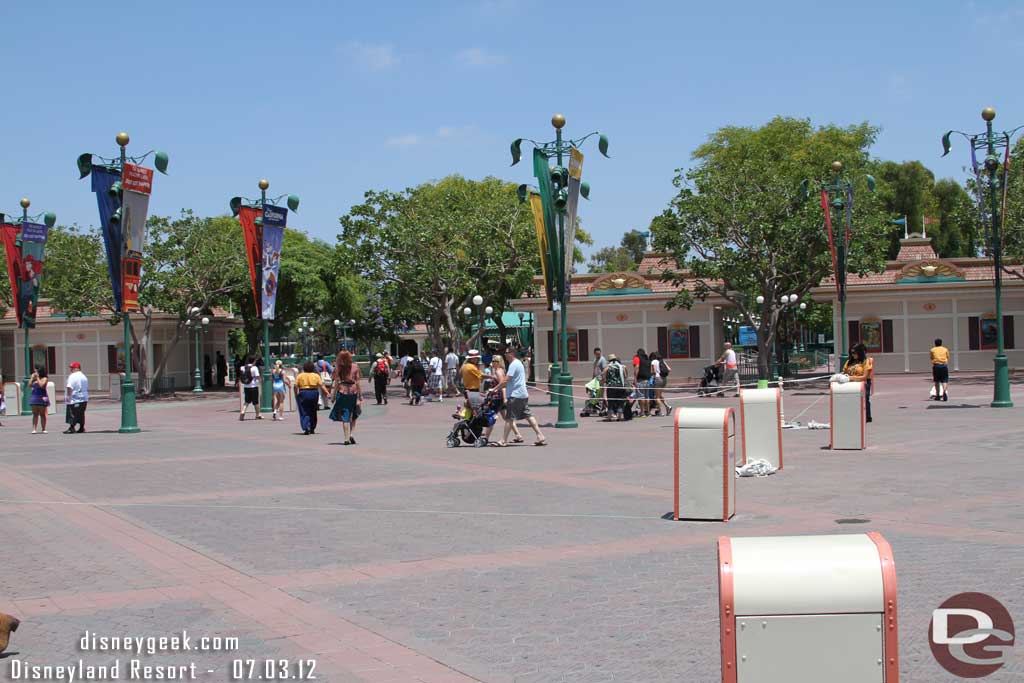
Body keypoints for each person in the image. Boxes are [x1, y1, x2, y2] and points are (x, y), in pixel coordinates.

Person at [493, 346, 546, 447]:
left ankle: (503, 440)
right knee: (528, 415)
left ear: (512, 353)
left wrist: (495, 389)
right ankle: (540, 436)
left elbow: (505, 380)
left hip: (515, 395)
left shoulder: (514, 364)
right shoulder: (518, 363)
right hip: (522, 394)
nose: (505, 355)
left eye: (506, 352)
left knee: (509, 418)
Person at [483, 355, 523, 443]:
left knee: (491, 416)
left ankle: (486, 437)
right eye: (492, 361)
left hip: (497, 398)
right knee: (507, 418)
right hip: (499, 397)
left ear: (498, 362)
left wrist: (504, 397)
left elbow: (503, 385)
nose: (492, 363)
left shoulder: (498, 371)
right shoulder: (500, 370)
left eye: (494, 361)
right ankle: (518, 435)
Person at [329, 350, 363, 445]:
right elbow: (358, 382)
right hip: (353, 392)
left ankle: (346, 438)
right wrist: (360, 395)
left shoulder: (338, 368)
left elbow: (336, 383)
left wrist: (333, 396)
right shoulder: (355, 366)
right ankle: (351, 434)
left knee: (345, 415)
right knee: (354, 413)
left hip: (342, 392)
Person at [294, 361, 329, 435]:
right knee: (313, 410)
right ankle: (312, 427)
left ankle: (306, 426)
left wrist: (296, 393)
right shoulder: (316, 375)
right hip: (313, 392)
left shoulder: (300, 375)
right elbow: (321, 385)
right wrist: (327, 393)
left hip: (303, 392)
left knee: (304, 410)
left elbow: (295, 386)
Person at [843, 343, 874, 423]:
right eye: (851, 353)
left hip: (862, 384)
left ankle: (867, 416)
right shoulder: (848, 362)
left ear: (860, 352)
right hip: (850, 384)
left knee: (864, 399)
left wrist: (850, 378)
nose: (852, 355)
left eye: (854, 353)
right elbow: (844, 373)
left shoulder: (866, 362)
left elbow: (864, 377)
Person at [64, 361, 89, 434]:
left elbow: (69, 387)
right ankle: (81, 427)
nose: (71, 369)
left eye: (72, 368)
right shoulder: (84, 376)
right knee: (81, 413)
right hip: (84, 398)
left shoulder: (72, 376)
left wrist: (68, 397)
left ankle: (72, 427)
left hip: (74, 398)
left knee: (72, 413)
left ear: (76, 368)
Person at [602, 353, 629, 421]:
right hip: (620, 386)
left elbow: (603, 377)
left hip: (611, 387)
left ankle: (609, 417)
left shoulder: (607, 367)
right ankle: (619, 417)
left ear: (609, 360)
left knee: (610, 402)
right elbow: (626, 376)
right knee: (620, 402)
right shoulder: (622, 367)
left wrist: (604, 382)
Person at [459, 349, 484, 417]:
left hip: (468, 389)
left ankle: (464, 415)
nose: (477, 360)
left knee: (470, 406)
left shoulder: (465, 366)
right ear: (472, 359)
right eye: (476, 358)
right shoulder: (471, 367)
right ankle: (464, 415)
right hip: (472, 390)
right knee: (475, 408)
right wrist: (492, 377)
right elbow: (481, 375)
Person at [239, 356, 262, 420]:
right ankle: (257, 415)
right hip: (254, 386)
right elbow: (257, 376)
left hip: (246, 386)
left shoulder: (242, 367)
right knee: (256, 402)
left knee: (246, 401)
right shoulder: (254, 368)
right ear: (254, 361)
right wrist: (259, 381)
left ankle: (243, 411)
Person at [649, 351, 671, 416]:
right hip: (664, 379)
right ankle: (668, 406)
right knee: (659, 395)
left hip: (658, 379)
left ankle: (660, 412)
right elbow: (669, 369)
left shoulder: (654, 361)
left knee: (656, 397)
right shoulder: (662, 361)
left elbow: (653, 371)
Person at [28, 366, 49, 434]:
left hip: (42, 397)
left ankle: (43, 429)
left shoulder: (44, 378)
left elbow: (41, 385)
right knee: (35, 414)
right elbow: (29, 385)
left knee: (42, 414)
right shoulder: (34, 379)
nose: (35, 373)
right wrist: (31, 378)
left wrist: (37, 378)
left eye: (36, 371)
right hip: (34, 397)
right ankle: (34, 429)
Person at [930, 338, 951, 402]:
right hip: (944, 366)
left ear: (935, 343)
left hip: (936, 366)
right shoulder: (945, 349)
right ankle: (944, 391)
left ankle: (937, 395)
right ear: (941, 343)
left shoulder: (932, 350)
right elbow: (948, 357)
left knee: (936, 381)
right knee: (945, 380)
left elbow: (931, 357)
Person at [633, 348, 652, 417]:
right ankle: (648, 412)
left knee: (641, 396)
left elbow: (637, 367)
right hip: (648, 380)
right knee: (647, 397)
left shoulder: (637, 358)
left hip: (640, 380)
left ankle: (642, 412)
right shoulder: (647, 359)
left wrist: (635, 378)